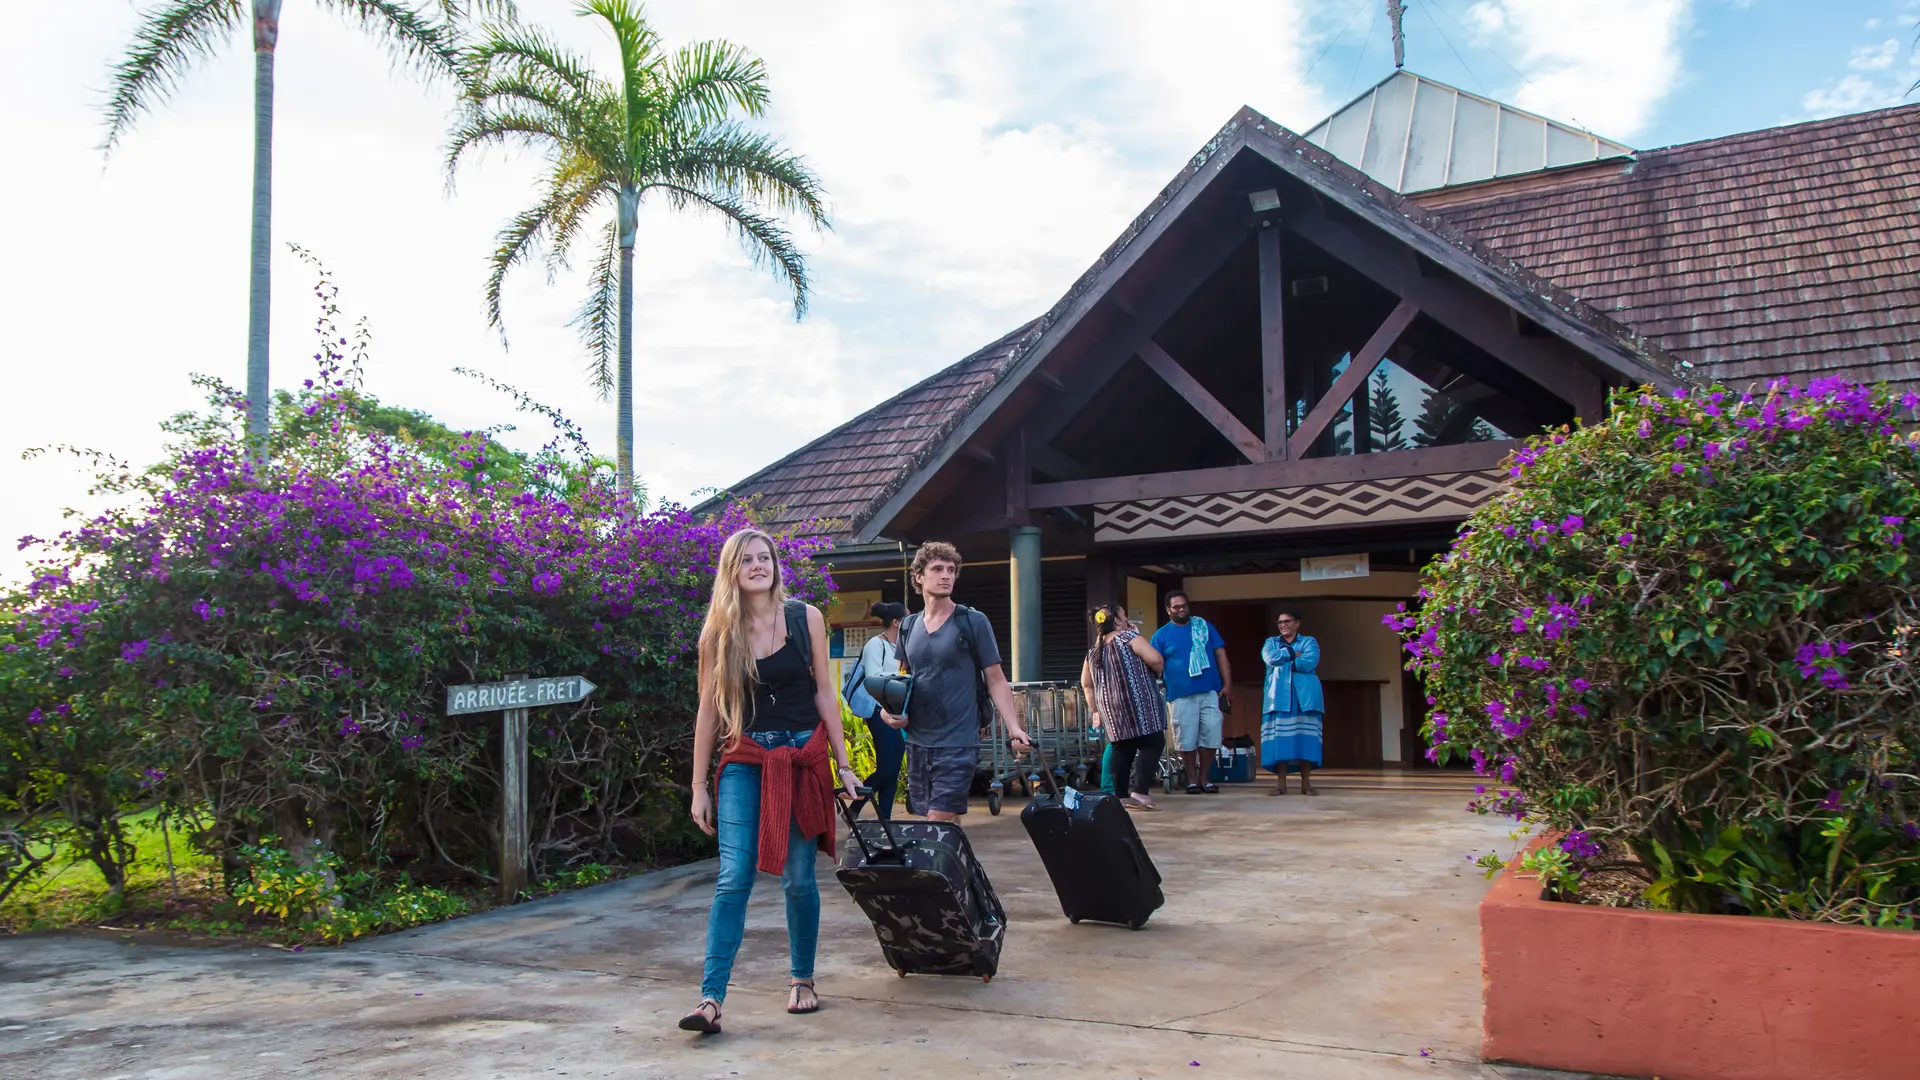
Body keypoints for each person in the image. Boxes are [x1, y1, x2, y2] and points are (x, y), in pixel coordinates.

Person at [682, 529, 863, 1034]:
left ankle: (802, 979)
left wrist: (844, 765)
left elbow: (826, 695)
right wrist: (698, 786)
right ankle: (710, 999)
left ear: (775, 566)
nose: (759, 566)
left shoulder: (806, 618)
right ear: (732, 571)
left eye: (765, 558)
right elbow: (706, 713)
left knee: (799, 877)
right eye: (748, 560)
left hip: (803, 757)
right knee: (733, 876)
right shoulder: (719, 633)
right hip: (746, 755)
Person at [881, 542, 1032, 822]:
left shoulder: (972, 621)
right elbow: (901, 680)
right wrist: (889, 710)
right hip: (917, 742)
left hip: (958, 741)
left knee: (935, 823)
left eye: (951, 570)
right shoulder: (908, 626)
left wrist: (1014, 728)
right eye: (937, 569)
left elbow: (996, 679)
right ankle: (962, 866)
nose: (946, 575)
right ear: (919, 577)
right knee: (946, 824)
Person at [1081, 603, 1167, 811]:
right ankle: (1140, 793)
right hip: (1138, 701)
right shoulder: (1129, 638)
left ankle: (1120, 795)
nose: (1127, 620)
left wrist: (1096, 710)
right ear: (1117, 621)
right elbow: (1156, 660)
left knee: (1122, 747)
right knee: (1153, 741)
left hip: (1110, 707)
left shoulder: (1093, 651)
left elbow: (1087, 684)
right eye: (1124, 616)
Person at [1149, 590, 1233, 795]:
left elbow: (1220, 653)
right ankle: (1192, 779)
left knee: (1211, 737)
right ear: (1168, 610)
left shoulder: (1204, 627)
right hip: (1179, 695)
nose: (1181, 609)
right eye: (1176, 606)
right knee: (1186, 739)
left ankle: (1205, 778)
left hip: (1209, 691)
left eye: (1184, 605)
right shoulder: (1161, 635)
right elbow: (1152, 662)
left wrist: (1228, 684)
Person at [846, 601, 907, 820]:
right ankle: (856, 805)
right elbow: (873, 678)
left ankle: (885, 819)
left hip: (896, 713)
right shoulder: (876, 644)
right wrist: (902, 678)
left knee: (890, 769)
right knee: (888, 770)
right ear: (896, 622)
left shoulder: (900, 647)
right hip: (877, 711)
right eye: (907, 619)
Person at [1260, 607, 1324, 796]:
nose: (1283, 625)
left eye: (1287, 621)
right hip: (1278, 697)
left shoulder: (1309, 641)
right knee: (1281, 740)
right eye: (1280, 622)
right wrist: (1293, 655)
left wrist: (1286, 659)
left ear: (1297, 623)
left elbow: (1310, 662)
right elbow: (1270, 658)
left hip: (1305, 697)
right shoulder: (1271, 642)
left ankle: (1306, 784)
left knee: (1305, 740)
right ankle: (1281, 785)